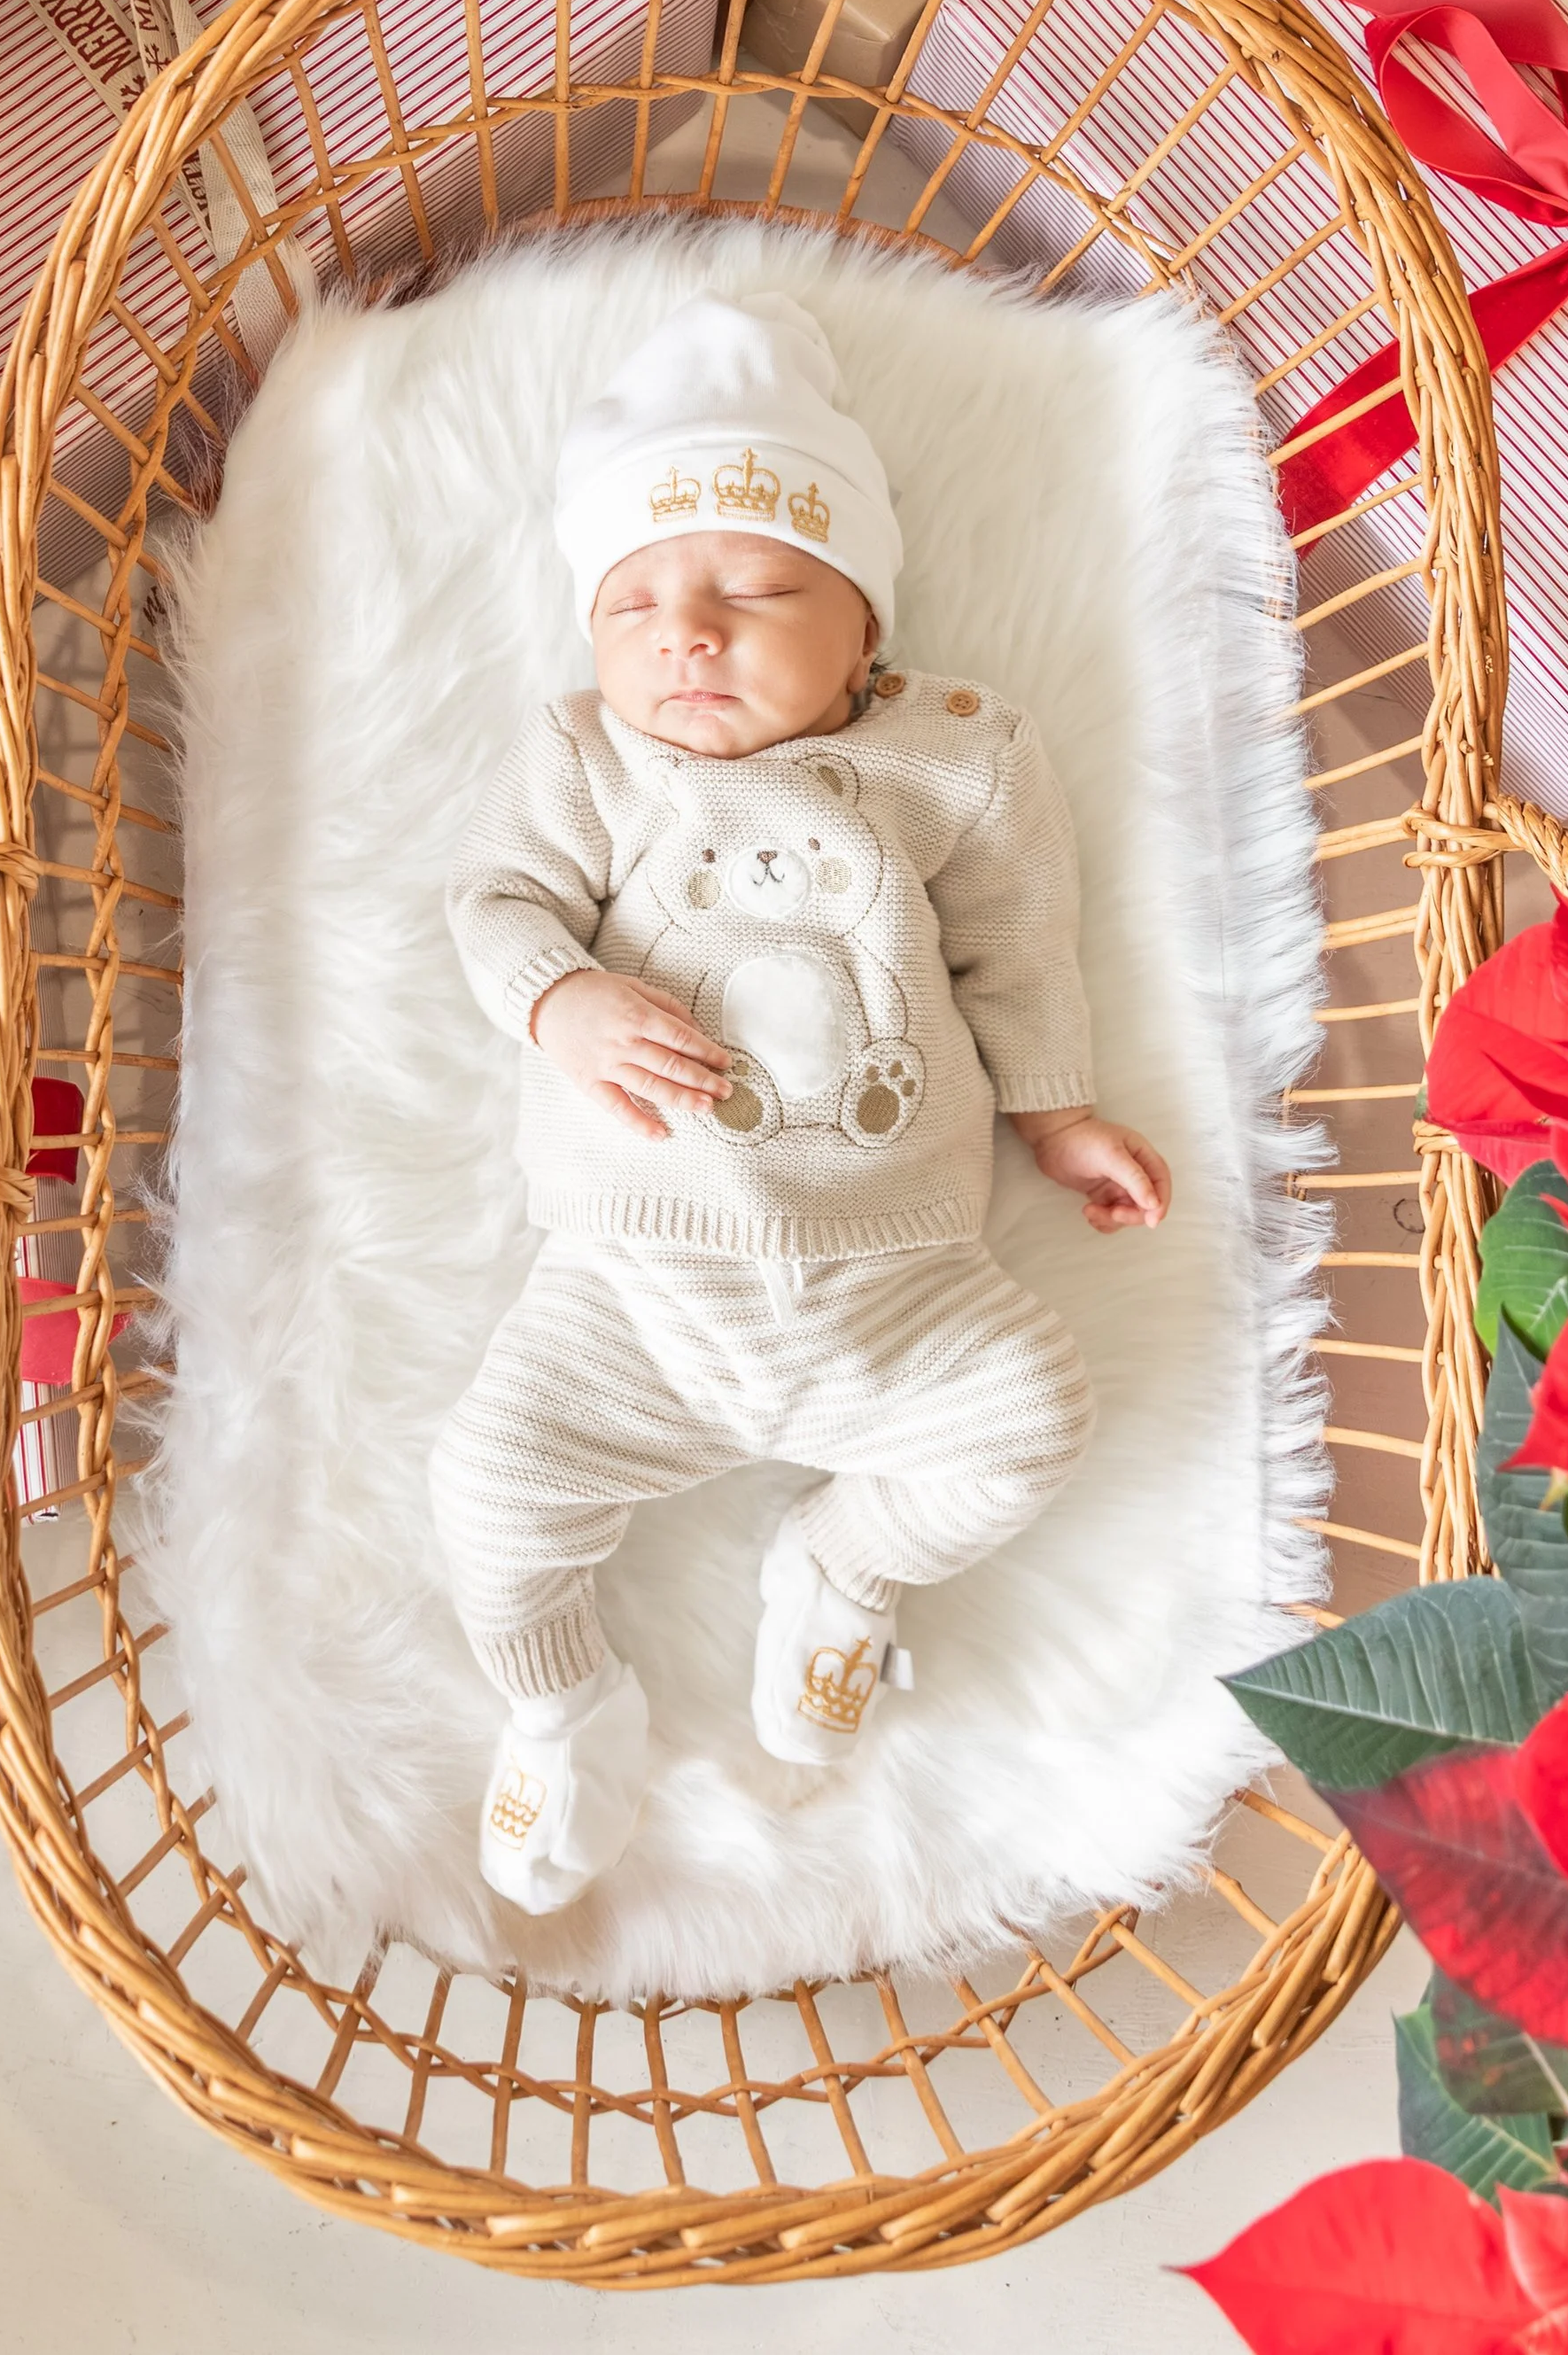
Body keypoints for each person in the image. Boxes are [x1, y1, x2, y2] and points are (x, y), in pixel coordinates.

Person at [436, 291, 1170, 1912]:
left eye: (754, 587)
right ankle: (563, 1699)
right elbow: (492, 902)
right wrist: (561, 999)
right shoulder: (590, 761)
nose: (685, 631)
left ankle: (843, 1563)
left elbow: (1018, 945)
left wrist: (1057, 1114)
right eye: (631, 602)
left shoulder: (956, 758)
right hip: (631, 1286)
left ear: (865, 628)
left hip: (896, 1278)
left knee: (1036, 1416)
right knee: (488, 1489)